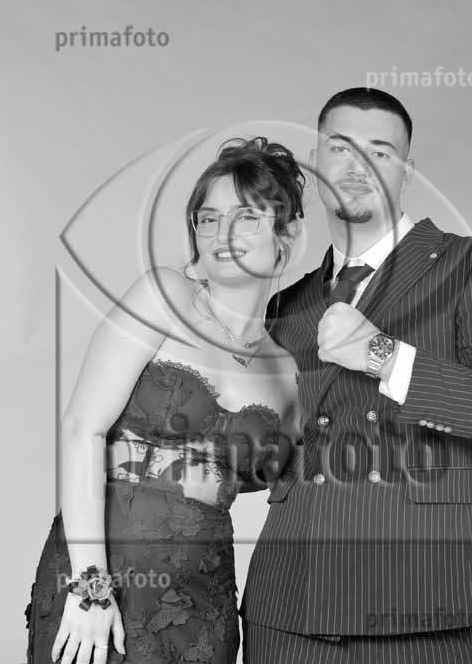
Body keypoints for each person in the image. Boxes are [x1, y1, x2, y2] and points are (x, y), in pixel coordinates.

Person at [240, 88, 472, 663]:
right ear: (314, 164)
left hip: (428, 607)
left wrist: (384, 355)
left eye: (381, 152)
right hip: (286, 610)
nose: (357, 166)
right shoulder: (286, 304)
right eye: (340, 148)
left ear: (407, 173)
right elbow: (273, 458)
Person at [25, 137, 305, 664]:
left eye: (246, 217)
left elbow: (276, 481)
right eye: (208, 218)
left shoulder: (286, 372)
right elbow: (82, 427)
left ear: (286, 234)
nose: (222, 234)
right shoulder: (164, 296)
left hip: (203, 595)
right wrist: (91, 588)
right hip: (101, 575)